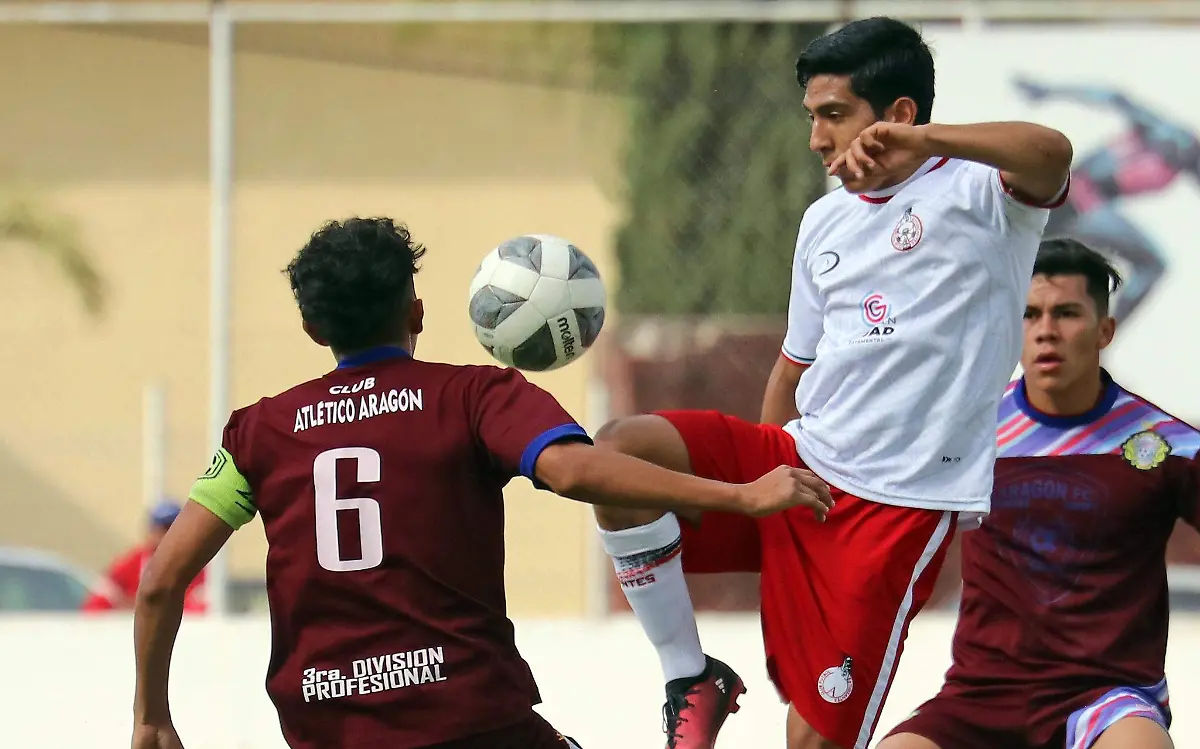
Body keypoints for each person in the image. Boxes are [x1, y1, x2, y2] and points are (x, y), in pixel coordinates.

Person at [129, 217, 832, 749]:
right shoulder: (472, 397)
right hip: (468, 717)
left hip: (325, 725)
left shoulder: (260, 431)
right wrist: (739, 494)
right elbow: (575, 470)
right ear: (417, 311)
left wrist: (152, 714)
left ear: (312, 327)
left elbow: (161, 579)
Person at [591, 16, 1073, 749]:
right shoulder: (823, 223)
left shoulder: (984, 195)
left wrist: (931, 144)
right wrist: (769, 468)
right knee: (622, 454)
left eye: (834, 115)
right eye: (812, 117)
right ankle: (692, 674)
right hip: (800, 467)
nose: (817, 138)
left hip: (896, 508)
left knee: (813, 739)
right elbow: (796, 364)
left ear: (900, 116)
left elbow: (1053, 152)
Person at [881, 238, 1193, 749]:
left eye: (1067, 313)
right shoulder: (963, 434)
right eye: (1029, 314)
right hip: (981, 697)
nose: (1046, 331)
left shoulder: (1166, 445)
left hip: (1109, 698)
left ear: (1105, 331)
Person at [1013, 77, 1200, 323]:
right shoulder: (1177, 141)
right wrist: (1051, 90)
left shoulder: (1173, 140)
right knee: (1153, 265)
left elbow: (1115, 97)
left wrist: (1050, 90)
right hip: (1081, 201)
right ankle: (1099, 336)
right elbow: (1113, 96)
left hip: (1074, 199)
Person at [82, 499, 207, 613]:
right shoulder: (133, 562)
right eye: (163, 528)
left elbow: (198, 608)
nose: (167, 534)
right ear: (151, 531)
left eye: (173, 527)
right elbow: (97, 603)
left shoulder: (194, 564)